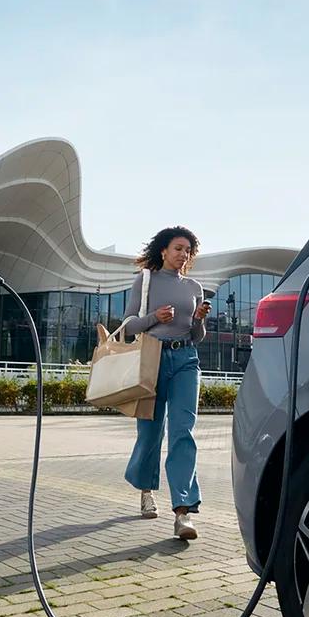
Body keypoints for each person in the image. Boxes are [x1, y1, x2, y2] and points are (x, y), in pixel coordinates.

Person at [120, 226, 211, 540]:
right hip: (153, 360)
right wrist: (155, 317)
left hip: (186, 361)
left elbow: (196, 336)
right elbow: (130, 325)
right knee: (150, 432)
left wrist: (198, 319)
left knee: (183, 432)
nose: (183, 254)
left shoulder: (194, 286)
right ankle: (146, 490)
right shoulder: (145, 280)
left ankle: (183, 513)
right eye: (178, 248)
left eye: (188, 250)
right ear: (163, 251)